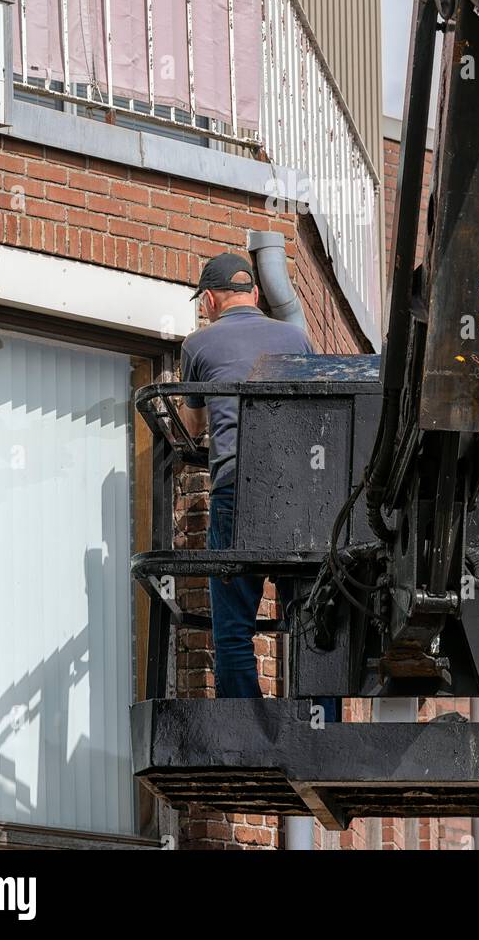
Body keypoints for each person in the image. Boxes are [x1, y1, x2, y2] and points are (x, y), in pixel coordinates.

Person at [178, 251, 333, 712]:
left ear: (209, 300)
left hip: (234, 489)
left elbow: (191, 429)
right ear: (256, 295)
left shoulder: (198, 345)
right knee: (306, 615)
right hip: (296, 498)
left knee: (232, 623)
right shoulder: (296, 338)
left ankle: (245, 723)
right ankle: (318, 721)